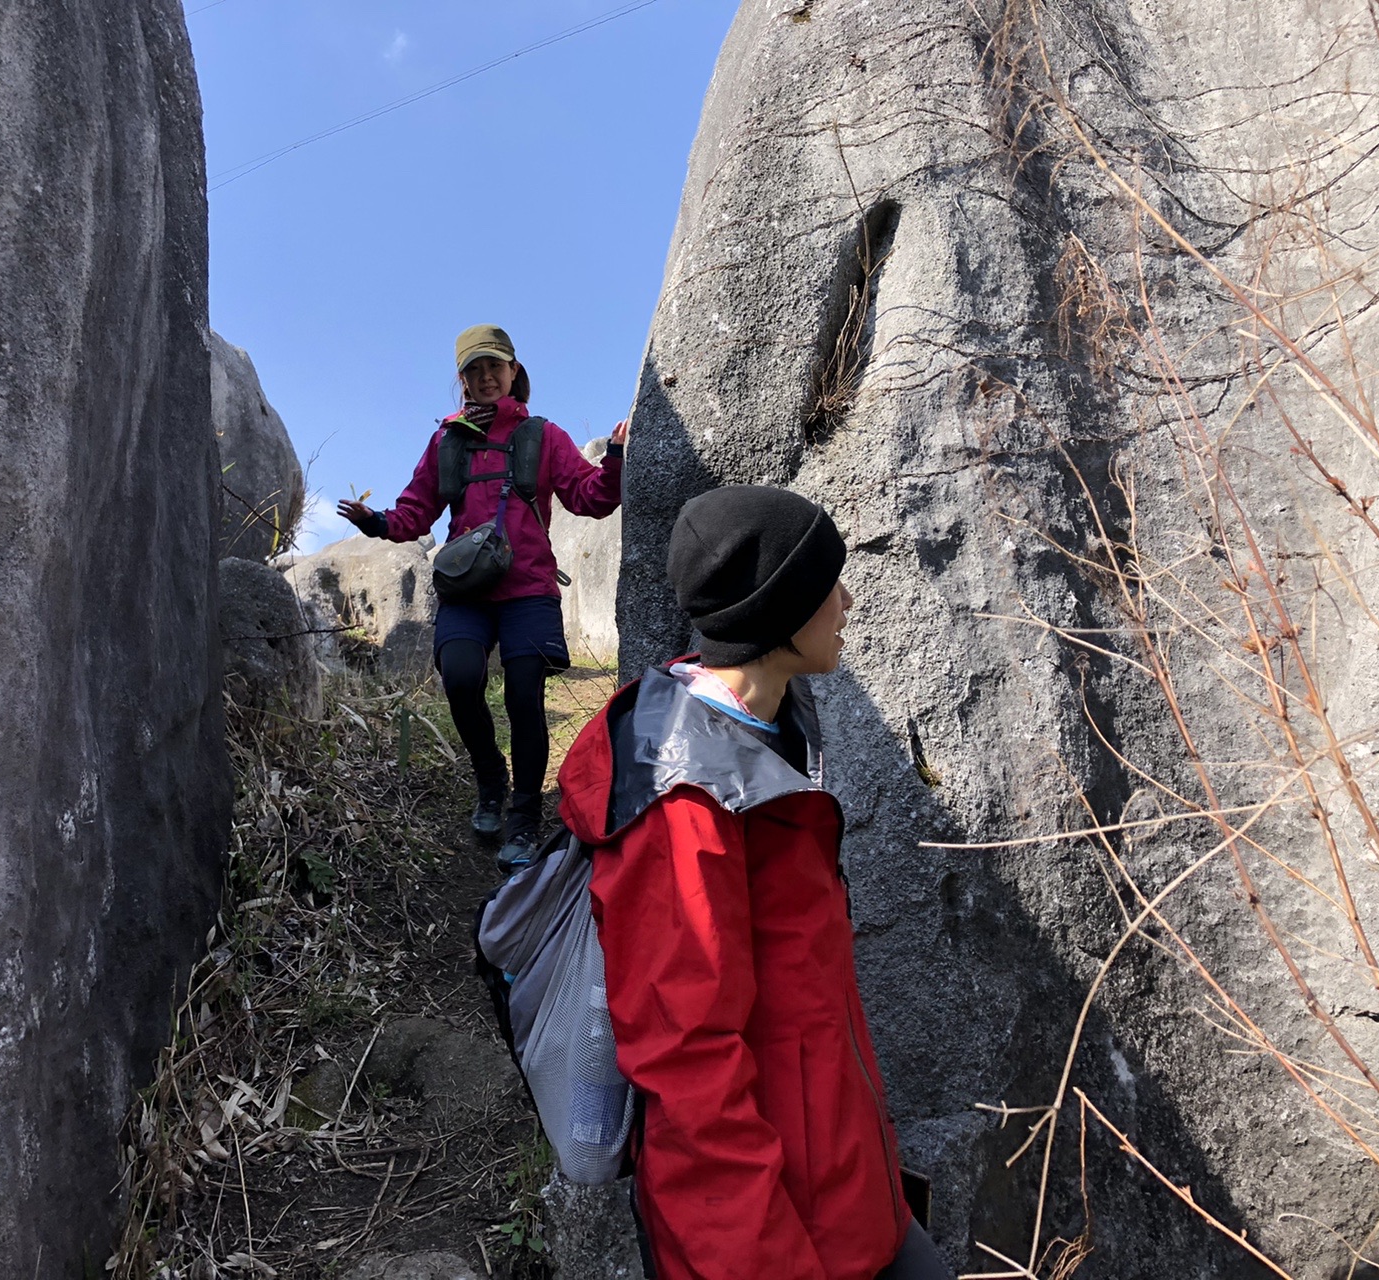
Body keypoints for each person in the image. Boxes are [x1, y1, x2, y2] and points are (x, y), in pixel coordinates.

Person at [555, 485, 954, 1280]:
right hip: (767, 1235)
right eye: (825, 585)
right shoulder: (684, 805)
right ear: (775, 617)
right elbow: (691, 1072)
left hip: (848, 1197)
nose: (847, 600)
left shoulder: (770, 731)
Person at [337, 324, 625, 864]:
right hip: (467, 590)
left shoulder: (543, 435)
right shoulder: (448, 440)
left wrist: (614, 458)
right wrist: (377, 523)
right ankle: (491, 776)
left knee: (523, 696)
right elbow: (415, 511)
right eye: (473, 369)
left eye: (495, 366)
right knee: (462, 675)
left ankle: (522, 817)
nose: (485, 376)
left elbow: (589, 498)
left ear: (515, 372)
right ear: (462, 381)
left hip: (528, 590)